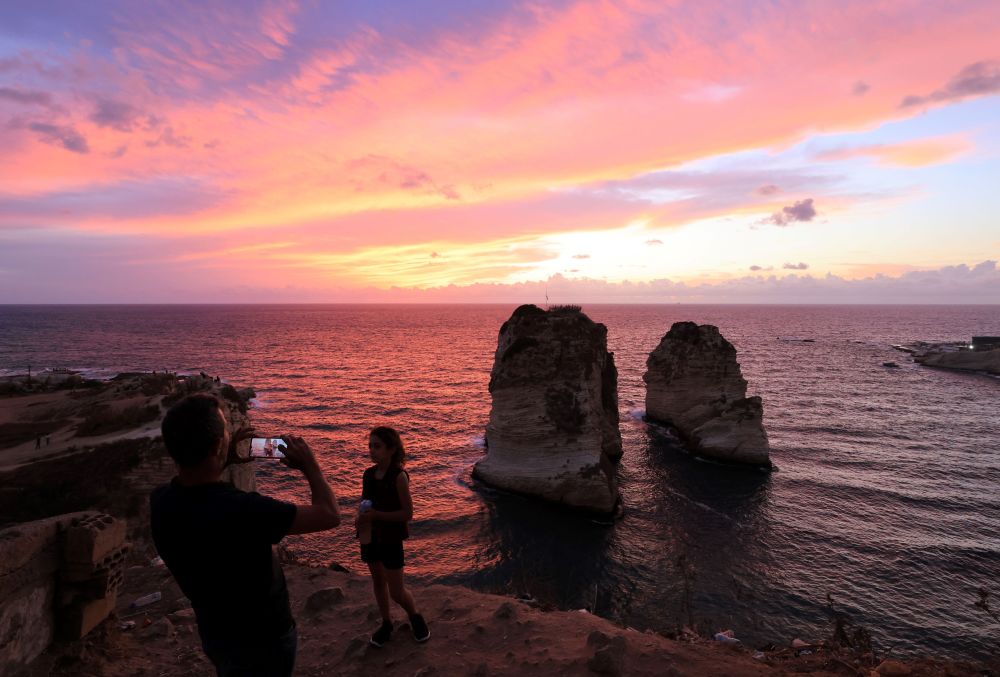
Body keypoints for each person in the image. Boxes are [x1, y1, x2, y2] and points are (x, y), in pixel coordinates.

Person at [150, 394, 341, 676]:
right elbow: (329, 515)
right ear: (217, 444)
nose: (229, 433)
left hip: (216, 629)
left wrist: (222, 461)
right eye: (226, 428)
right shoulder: (244, 510)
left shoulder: (161, 501)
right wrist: (310, 466)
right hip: (263, 638)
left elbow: (200, 495)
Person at [358, 426, 429, 647]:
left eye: (377, 446)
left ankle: (415, 616)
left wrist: (376, 515)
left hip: (390, 538)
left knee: (397, 591)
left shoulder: (398, 476)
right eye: (370, 446)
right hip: (370, 535)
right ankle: (386, 623)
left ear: (391, 449)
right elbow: (365, 501)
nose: (372, 450)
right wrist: (359, 517)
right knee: (378, 581)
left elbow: (407, 514)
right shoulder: (369, 474)